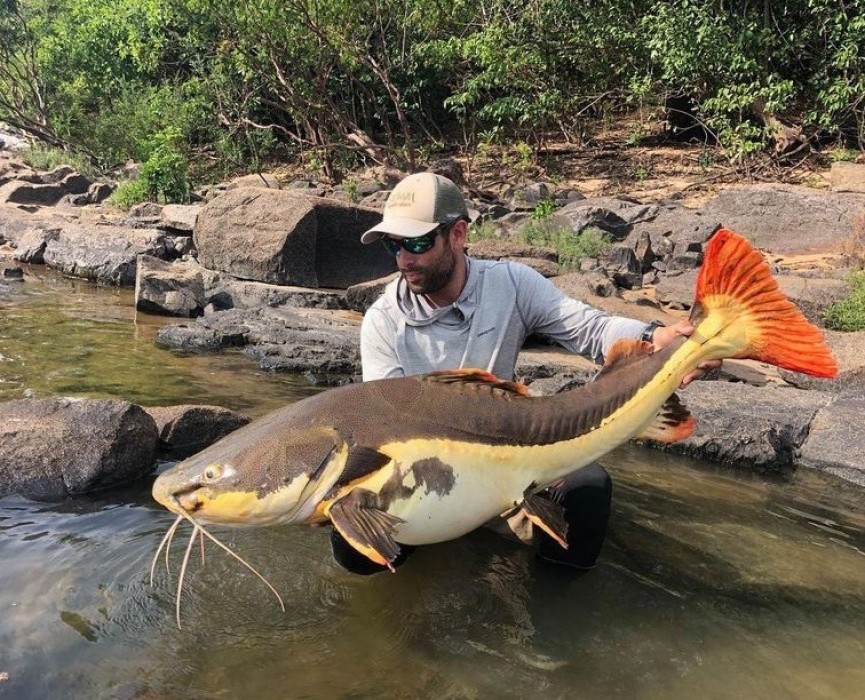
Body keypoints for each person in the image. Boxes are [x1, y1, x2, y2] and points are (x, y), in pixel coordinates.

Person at [330, 172, 715, 576]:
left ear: (458, 234)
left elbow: (589, 329)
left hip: (509, 467)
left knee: (587, 489)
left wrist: (656, 337)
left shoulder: (511, 284)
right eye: (395, 245)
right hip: (423, 482)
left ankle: (555, 609)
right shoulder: (382, 322)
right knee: (350, 547)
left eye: (418, 243)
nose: (404, 259)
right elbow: (384, 428)